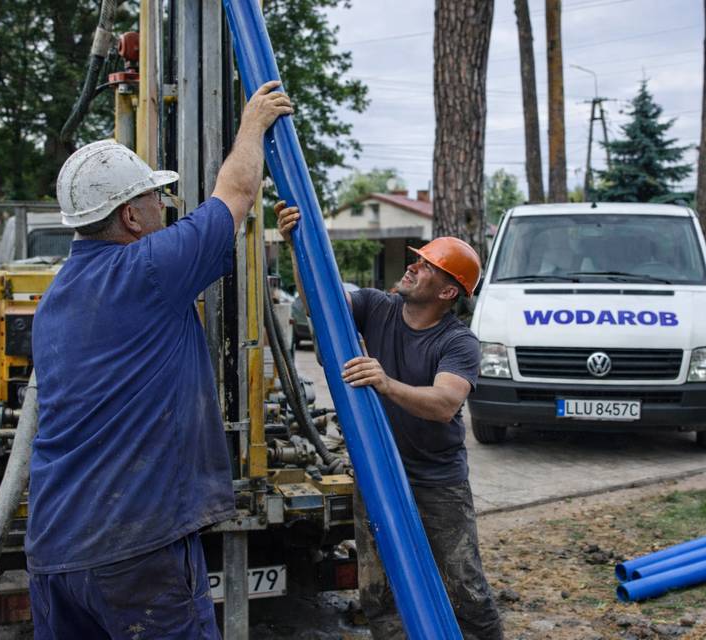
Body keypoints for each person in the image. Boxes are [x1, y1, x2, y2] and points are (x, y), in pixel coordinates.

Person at [27, 80, 292, 639]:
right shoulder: (148, 269)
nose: (164, 207)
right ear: (130, 216)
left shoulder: (55, 300)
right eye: (156, 198)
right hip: (135, 548)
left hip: (54, 551)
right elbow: (235, 194)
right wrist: (253, 123)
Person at [278, 208, 504, 640]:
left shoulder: (458, 342)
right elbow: (321, 305)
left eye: (427, 266)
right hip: (377, 472)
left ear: (448, 291)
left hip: (436, 482)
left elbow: (444, 404)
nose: (413, 266)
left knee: (464, 589)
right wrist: (296, 247)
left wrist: (386, 383)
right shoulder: (377, 306)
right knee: (378, 592)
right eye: (417, 259)